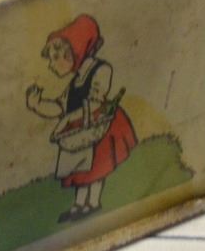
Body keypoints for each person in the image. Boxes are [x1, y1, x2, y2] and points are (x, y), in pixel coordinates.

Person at [25, 14, 137, 222]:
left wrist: (69, 119)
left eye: (55, 58)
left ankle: (92, 203)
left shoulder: (101, 70)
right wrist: (37, 104)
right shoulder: (74, 82)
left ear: (73, 51)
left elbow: (96, 101)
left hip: (100, 127)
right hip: (80, 132)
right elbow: (59, 107)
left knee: (96, 169)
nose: (51, 65)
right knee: (80, 172)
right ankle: (78, 205)